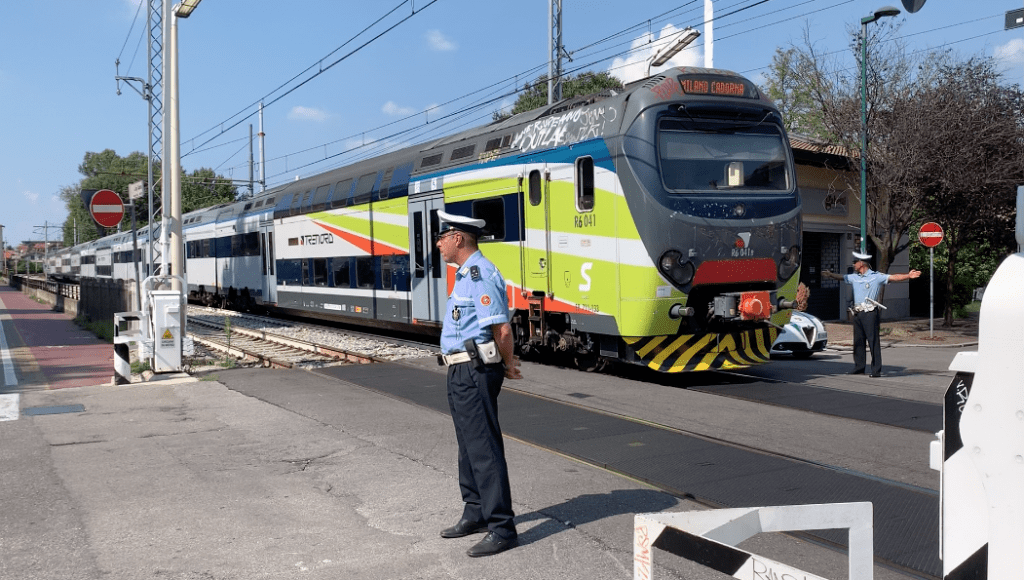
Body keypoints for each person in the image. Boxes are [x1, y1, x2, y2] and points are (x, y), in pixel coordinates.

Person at [434, 209, 522, 557]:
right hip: (459, 369)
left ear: (458, 238)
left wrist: (510, 363)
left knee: (483, 447)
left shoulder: (481, 273)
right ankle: (476, 512)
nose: (438, 244)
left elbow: (501, 328)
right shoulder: (464, 275)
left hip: (475, 370)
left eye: (442, 237)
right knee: (468, 446)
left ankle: (502, 526)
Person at [823, 251, 921, 377]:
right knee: (858, 341)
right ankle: (859, 367)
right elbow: (842, 277)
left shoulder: (876, 276)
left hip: (870, 313)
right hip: (858, 313)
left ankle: (876, 370)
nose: (853, 264)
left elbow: (893, 277)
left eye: (855, 262)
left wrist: (908, 276)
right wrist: (830, 275)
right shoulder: (854, 277)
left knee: (873, 341)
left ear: (862, 263)